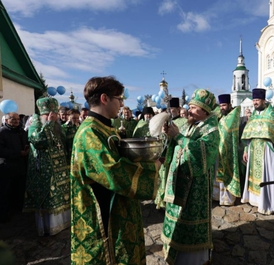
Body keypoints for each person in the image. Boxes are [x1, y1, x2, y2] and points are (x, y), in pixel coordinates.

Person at [70, 76, 161, 265]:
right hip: (105, 215)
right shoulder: (89, 132)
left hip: (119, 205)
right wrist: (153, 167)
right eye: (119, 99)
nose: (121, 103)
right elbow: (112, 171)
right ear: (105, 98)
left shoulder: (104, 127)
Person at [161, 89, 219, 265]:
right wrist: (169, 136)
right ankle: (174, 251)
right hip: (179, 179)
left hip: (196, 184)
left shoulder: (212, 130)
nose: (190, 110)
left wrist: (177, 137)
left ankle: (193, 258)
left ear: (205, 112)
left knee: (189, 218)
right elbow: (176, 143)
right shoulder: (188, 124)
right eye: (190, 106)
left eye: (194, 108)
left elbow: (200, 153)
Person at [24, 97, 71, 236]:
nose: (53, 116)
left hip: (60, 169)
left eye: (54, 114)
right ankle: (48, 228)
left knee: (61, 196)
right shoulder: (35, 125)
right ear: (43, 114)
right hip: (44, 171)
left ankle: (63, 223)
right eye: (49, 114)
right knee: (48, 199)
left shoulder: (58, 127)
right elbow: (38, 141)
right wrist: (49, 123)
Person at [241, 88, 274, 215]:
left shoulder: (272, 114)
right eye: (254, 100)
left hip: (266, 151)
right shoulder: (253, 116)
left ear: (263, 100)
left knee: (266, 175)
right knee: (253, 176)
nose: (255, 103)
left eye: (257, 100)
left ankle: (266, 203)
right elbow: (247, 135)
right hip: (253, 149)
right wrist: (246, 150)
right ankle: (255, 200)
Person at [155, 97, 186, 209]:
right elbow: (163, 139)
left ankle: (171, 202)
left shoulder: (184, 121)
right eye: (169, 108)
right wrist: (163, 133)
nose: (170, 110)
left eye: (172, 108)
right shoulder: (167, 122)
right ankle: (162, 201)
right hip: (165, 154)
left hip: (176, 154)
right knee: (163, 177)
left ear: (178, 108)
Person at [0, 112, 29, 223]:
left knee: (19, 190)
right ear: (7, 120)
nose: (17, 121)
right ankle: (4, 215)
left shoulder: (21, 131)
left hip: (20, 167)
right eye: (13, 119)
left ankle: (18, 212)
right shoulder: (2, 132)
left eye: (18, 119)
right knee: (5, 192)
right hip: (7, 167)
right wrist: (18, 153)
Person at [213, 94, 241, 206]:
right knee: (218, 173)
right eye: (220, 105)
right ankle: (217, 196)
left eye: (224, 105)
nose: (222, 108)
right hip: (219, 150)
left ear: (230, 105)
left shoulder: (234, 115)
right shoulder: (222, 118)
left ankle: (228, 199)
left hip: (229, 151)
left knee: (227, 173)